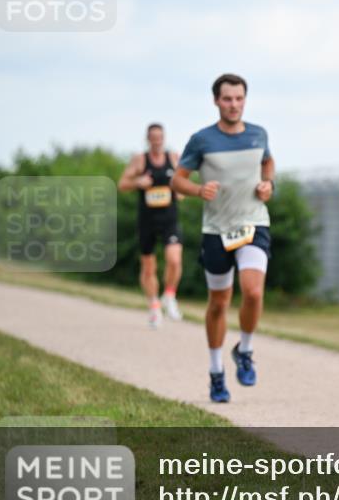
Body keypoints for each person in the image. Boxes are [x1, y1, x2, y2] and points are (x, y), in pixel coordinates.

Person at [171, 73, 275, 403]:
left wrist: (267, 184)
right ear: (216, 101)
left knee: (254, 291)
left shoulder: (259, 134)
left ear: (245, 100)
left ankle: (244, 349)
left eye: (239, 98)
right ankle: (216, 372)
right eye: (227, 99)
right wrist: (199, 189)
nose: (234, 105)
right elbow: (177, 181)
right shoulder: (201, 140)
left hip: (254, 224)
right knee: (218, 303)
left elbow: (268, 162)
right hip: (216, 231)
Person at [118, 123, 184, 328]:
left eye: (160, 137)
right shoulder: (140, 160)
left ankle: (169, 296)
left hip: (169, 219)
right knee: (149, 267)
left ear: (164, 138)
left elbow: (184, 182)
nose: (157, 141)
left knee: (174, 260)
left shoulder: (174, 157)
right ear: (147, 139)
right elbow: (122, 184)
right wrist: (138, 182)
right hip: (146, 220)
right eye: (153, 137)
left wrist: (180, 190)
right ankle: (154, 307)